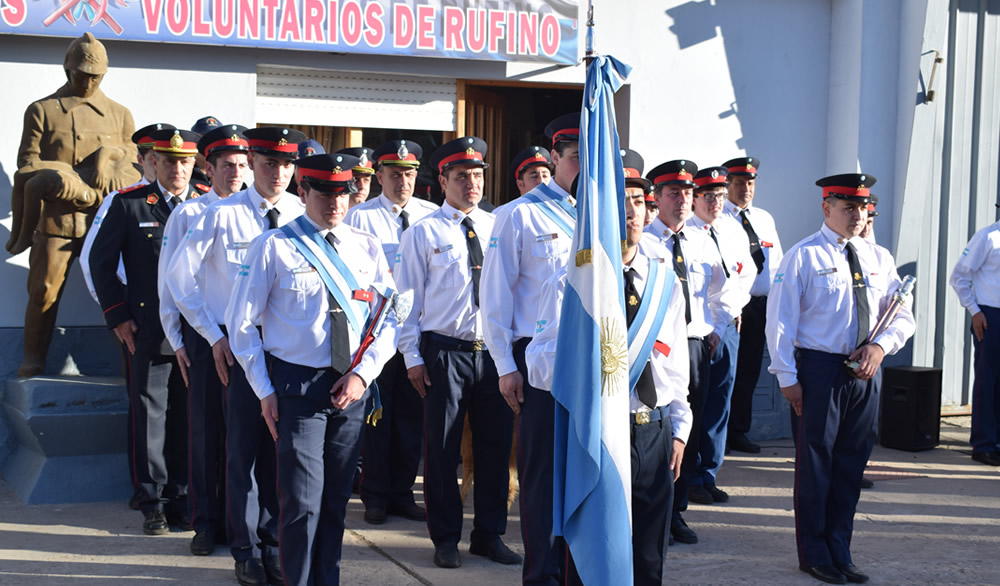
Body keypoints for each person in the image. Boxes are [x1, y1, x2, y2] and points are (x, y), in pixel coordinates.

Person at [228, 152, 399, 586]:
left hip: (352, 390)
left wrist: (364, 374)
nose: (335, 202)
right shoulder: (274, 245)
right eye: (324, 192)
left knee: (337, 501)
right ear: (303, 191)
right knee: (302, 503)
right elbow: (242, 325)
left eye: (343, 192)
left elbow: (389, 318)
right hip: (297, 389)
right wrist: (264, 391)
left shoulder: (366, 246)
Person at [526, 183, 691, 586]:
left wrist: (680, 428)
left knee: (649, 556)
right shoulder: (570, 283)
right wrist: (587, 361)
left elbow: (676, 366)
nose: (631, 212)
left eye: (638, 202)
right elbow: (538, 363)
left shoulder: (663, 281)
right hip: (596, 431)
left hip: (651, 429)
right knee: (593, 556)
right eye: (621, 203)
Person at [168, 126, 307, 585]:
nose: (279, 174)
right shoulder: (221, 215)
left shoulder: (300, 215)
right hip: (233, 343)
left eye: (287, 165)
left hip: (285, 348)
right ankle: (243, 547)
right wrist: (212, 334)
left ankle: (271, 544)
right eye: (269, 164)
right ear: (255, 164)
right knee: (241, 449)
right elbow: (179, 279)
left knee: (277, 451)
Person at [767, 173, 914, 584]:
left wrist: (881, 347)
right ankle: (814, 553)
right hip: (819, 370)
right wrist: (786, 378)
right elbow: (779, 323)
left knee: (851, 465)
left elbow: (902, 313)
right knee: (816, 464)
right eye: (848, 207)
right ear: (826, 207)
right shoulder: (803, 256)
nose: (857, 214)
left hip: (864, 369)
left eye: (862, 207)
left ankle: (840, 548)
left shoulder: (878, 257)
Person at [394, 136, 520, 569]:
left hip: (495, 354)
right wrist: (411, 356)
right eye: (461, 176)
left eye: (478, 175)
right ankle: (445, 537)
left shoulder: (499, 225)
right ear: (442, 181)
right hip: (444, 353)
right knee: (443, 450)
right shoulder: (423, 232)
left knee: (495, 447)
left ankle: (489, 534)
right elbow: (405, 299)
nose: (471, 183)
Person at [89, 128, 206, 536]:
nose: (177, 168)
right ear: (153, 161)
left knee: (189, 417)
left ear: (196, 164)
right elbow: (100, 265)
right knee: (150, 416)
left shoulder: (209, 206)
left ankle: (183, 496)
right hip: (149, 330)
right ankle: (152, 501)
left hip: (198, 334)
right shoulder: (131, 205)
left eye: (185, 161)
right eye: (169, 160)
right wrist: (118, 316)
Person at [480, 112, 580, 585]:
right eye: (575, 156)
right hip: (535, 358)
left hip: (594, 362)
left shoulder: (605, 212)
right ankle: (542, 575)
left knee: (585, 476)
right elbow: (495, 295)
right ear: (555, 158)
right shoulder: (520, 213)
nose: (583, 165)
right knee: (542, 475)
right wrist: (504, 364)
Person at [8, 32, 139, 377]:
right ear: (68, 70)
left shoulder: (119, 114)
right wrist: (61, 172)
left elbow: (135, 161)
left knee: (118, 292)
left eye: (96, 76)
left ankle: (131, 362)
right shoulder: (42, 110)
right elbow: (27, 163)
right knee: (43, 290)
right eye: (83, 74)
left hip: (104, 219)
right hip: (59, 219)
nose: (89, 81)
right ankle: (33, 358)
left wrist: (112, 154)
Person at [641, 159, 746, 546]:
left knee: (690, 430)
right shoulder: (644, 242)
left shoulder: (703, 240)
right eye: (674, 193)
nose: (682, 201)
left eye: (688, 193)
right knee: (653, 431)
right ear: (657, 198)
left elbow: (724, 290)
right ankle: (650, 512)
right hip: (655, 350)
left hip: (695, 345)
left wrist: (716, 328)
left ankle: (676, 512)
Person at [157, 124, 249, 557]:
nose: (235, 172)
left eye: (241, 164)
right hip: (205, 335)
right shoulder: (190, 214)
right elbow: (170, 285)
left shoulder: (264, 212)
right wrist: (178, 339)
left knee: (245, 438)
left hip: (253, 340)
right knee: (205, 434)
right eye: (227, 165)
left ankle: (239, 523)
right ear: (207, 168)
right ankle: (205, 523)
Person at [346, 139, 438, 525]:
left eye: (409, 174)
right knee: (378, 419)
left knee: (412, 417)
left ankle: (403, 492)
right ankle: (376, 495)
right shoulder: (360, 218)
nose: (403, 181)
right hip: (378, 330)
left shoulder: (431, 215)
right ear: (379, 175)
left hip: (418, 329)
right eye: (395, 174)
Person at [685, 166, 755, 505]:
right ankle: (689, 474)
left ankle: (709, 472)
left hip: (727, 326)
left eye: (721, 195)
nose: (717, 202)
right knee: (692, 402)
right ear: (695, 198)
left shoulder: (732, 230)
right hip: (699, 328)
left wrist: (726, 318)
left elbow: (745, 277)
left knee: (720, 401)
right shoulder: (686, 232)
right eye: (709, 196)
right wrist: (711, 324)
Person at [723, 156, 783, 454]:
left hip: (760, 305)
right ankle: (717, 436)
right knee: (725, 374)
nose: (745, 189)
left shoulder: (764, 219)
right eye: (738, 183)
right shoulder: (719, 218)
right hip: (732, 309)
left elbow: (778, 266)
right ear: (727, 184)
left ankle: (738, 431)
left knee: (748, 372)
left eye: (749, 183)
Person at [949, 203, 1000, 467]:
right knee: (987, 381)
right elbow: (959, 277)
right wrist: (975, 311)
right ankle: (983, 444)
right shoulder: (988, 237)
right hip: (991, 316)